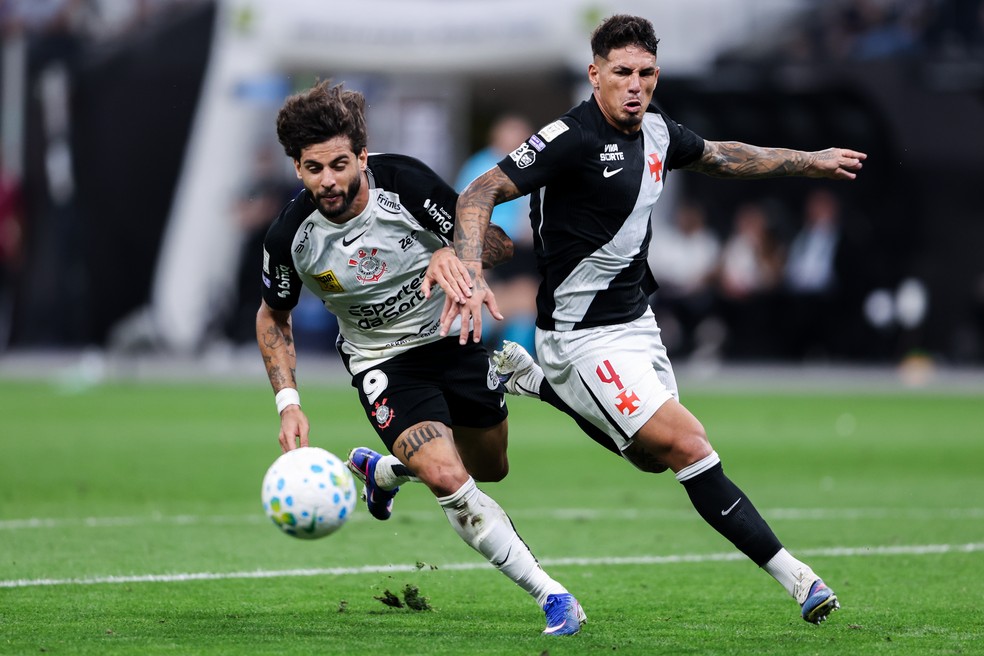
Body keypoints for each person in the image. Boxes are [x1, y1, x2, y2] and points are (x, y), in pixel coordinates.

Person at [442, 14, 867, 626]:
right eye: (622, 73)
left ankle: (532, 381)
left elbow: (723, 156)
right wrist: (470, 271)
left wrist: (809, 161)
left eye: (645, 73)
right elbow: (479, 192)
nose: (635, 85)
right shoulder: (568, 137)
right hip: (580, 338)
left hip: (636, 322)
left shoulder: (661, 131)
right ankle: (799, 578)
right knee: (689, 444)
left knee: (651, 458)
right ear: (595, 75)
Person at [256, 80, 586, 636]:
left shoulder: (405, 183)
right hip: (382, 362)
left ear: (362, 156)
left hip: (452, 336)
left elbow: (499, 244)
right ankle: (552, 595)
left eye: (339, 164)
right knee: (448, 478)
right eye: (314, 169)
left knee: (490, 468)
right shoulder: (291, 236)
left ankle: (383, 470)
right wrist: (288, 402)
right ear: (297, 168)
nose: (328, 180)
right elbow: (272, 317)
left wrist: (453, 253)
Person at [455, 114, 539, 356]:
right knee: (520, 298)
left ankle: (513, 354)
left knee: (528, 302)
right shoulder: (481, 166)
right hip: (488, 249)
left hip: (522, 251)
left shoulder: (531, 166)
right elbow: (462, 214)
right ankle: (484, 337)